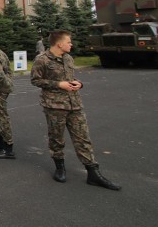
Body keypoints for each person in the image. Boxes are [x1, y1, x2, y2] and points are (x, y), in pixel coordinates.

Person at [31, 30, 121, 190]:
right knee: (56, 138)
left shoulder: (68, 58)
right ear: (59, 44)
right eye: (68, 41)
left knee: (83, 138)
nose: (71, 44)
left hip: (75, 104)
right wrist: (58, 84)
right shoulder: (42, 60)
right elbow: (35, 80)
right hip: (55, 106)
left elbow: (70, 78)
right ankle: (60, 168)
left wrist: (78, 83)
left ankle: (93, 172)